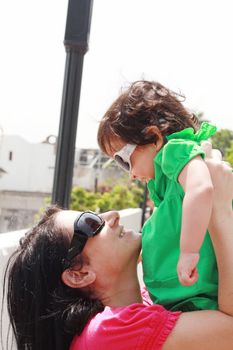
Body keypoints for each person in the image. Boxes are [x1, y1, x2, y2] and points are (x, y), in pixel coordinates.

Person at [2, 146, 233, 350]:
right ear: (78, 274)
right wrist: (219, 208)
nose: (112, 215)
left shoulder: (144, 304)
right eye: (91, 223)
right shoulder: (108, 332)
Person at [97, 80, 220, 311]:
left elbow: (201, 188)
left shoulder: (177, 150)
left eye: (123, 160)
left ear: (154, 137)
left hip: (200, 300)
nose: (131, 174)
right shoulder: (163, 181)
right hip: (185, 300)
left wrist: (189, 251)